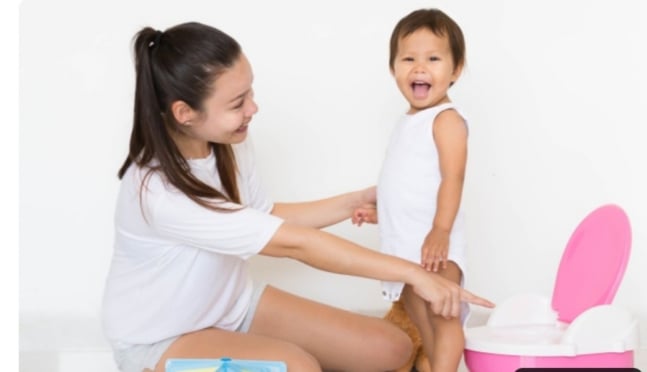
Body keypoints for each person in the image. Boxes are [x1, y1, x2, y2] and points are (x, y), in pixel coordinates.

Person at [101, 21, 493, 372]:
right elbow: (294, 244)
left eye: (250, 91)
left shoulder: (226, 143)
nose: (253, 108)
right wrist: (413, 274)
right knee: (298, 367)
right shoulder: (156, 192)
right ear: (185, 113)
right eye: (238, 103)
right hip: (159, 339)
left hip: (231, 308)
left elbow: (263, 215)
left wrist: (355, 200)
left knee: (391, 348)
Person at [353, 8, 473, 372]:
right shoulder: (408, 121)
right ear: (394, 68)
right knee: (420, 315)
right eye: (408, 59)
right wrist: (381, 215)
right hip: (406, 244)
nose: (420, 68)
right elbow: (410, 185)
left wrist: (440, 231)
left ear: (455, 70)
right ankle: (432, 364)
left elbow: (453, 178)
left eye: (433, 59)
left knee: (442, 313)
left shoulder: (446, 119)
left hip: (436, 244)